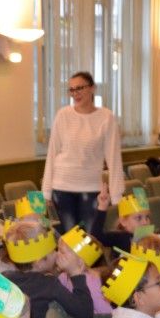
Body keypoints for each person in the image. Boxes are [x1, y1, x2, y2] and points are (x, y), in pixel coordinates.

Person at [41, 71, 124, 232]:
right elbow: (52, 154)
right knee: (70, 238)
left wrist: (116, 196)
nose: (75, 93)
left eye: (79, 88)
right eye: (71, 89)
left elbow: (114, 159)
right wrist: (46, 192)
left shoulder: (106, 117)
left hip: (91, 188)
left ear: (92, 88)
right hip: (62, 187)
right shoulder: (63, 115)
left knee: (90, 238)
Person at [2, 219, 94, 318]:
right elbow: (85, 312)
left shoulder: (4, 277)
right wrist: (76, 273)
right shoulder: (49, 284)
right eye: (53, 251)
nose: (57, 254)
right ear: (39, 262)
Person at [89, 184, 149, 254]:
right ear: (123, 221)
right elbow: (96, 238)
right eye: (139, 218)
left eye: (147, 217)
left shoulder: (150, 236)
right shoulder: (118, 237)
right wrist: (102, 207)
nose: (145, 222)